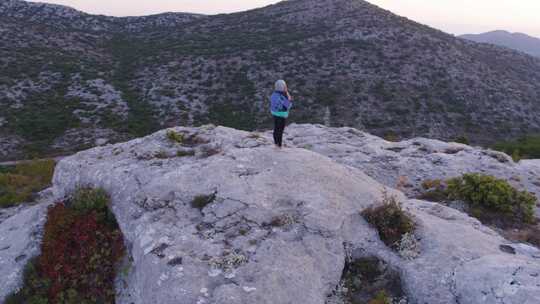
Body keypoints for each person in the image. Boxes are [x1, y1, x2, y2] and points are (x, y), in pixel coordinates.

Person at [270, 80, 293, 148]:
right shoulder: (283, 96)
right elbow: (288, 105)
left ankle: (276, 143)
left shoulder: (273, 94)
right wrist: (289, 98)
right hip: (281, 115)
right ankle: (279, 145)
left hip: (274, 113)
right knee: (280, 130)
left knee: (276, 128)